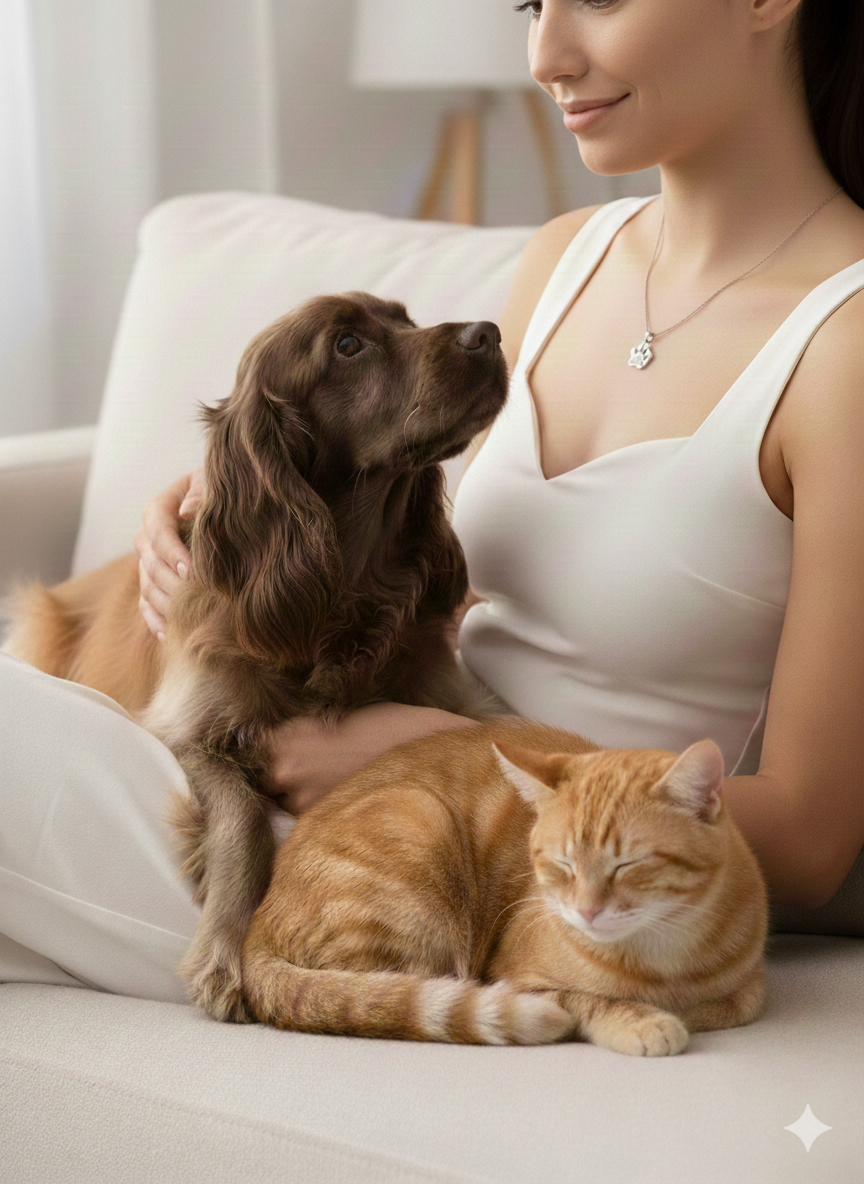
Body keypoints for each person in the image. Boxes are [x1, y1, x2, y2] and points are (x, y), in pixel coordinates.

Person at [3, 0, 863, 999]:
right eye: (531, 6)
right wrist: (215, 517)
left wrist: (434, 749)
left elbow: (806, 838)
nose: (546, 54)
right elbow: (421, 559)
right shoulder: (566, 259)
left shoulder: (843, 346)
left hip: (503, 881)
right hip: (319, 786)